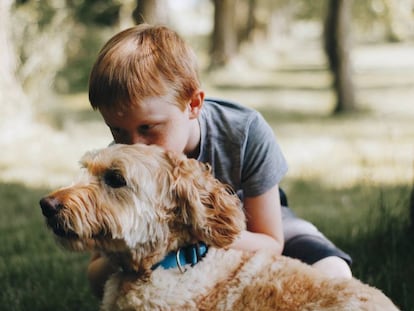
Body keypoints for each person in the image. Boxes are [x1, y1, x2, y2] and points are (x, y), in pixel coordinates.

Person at [86, 24, 352, 298]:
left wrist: (194, 233)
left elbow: (271, 242)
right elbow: (96, 278)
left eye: (148, 128)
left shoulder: (244, 132)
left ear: (193, 105)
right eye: (117, 130)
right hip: (165, 247)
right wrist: (128, 251)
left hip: (252, 226)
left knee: (334, 271)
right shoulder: (120, 168)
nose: (133, 146)